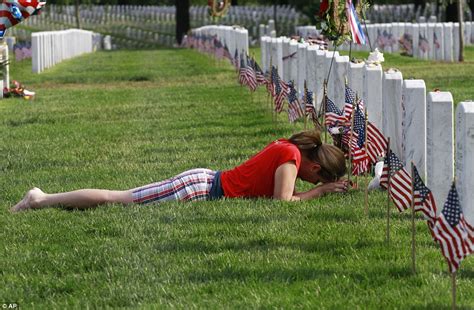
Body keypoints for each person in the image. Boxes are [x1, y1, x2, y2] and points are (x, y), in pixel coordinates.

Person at [11, 130, 349, 212]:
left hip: (205, 181)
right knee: (118, 198)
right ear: (315, 167)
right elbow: (281, 201)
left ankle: (42, 199)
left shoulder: (288, 147)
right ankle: (40, 199)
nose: (311, 182)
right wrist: (317, 193)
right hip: (200, 188)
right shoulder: (290, 158)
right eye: (315, 178)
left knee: (121, 197)